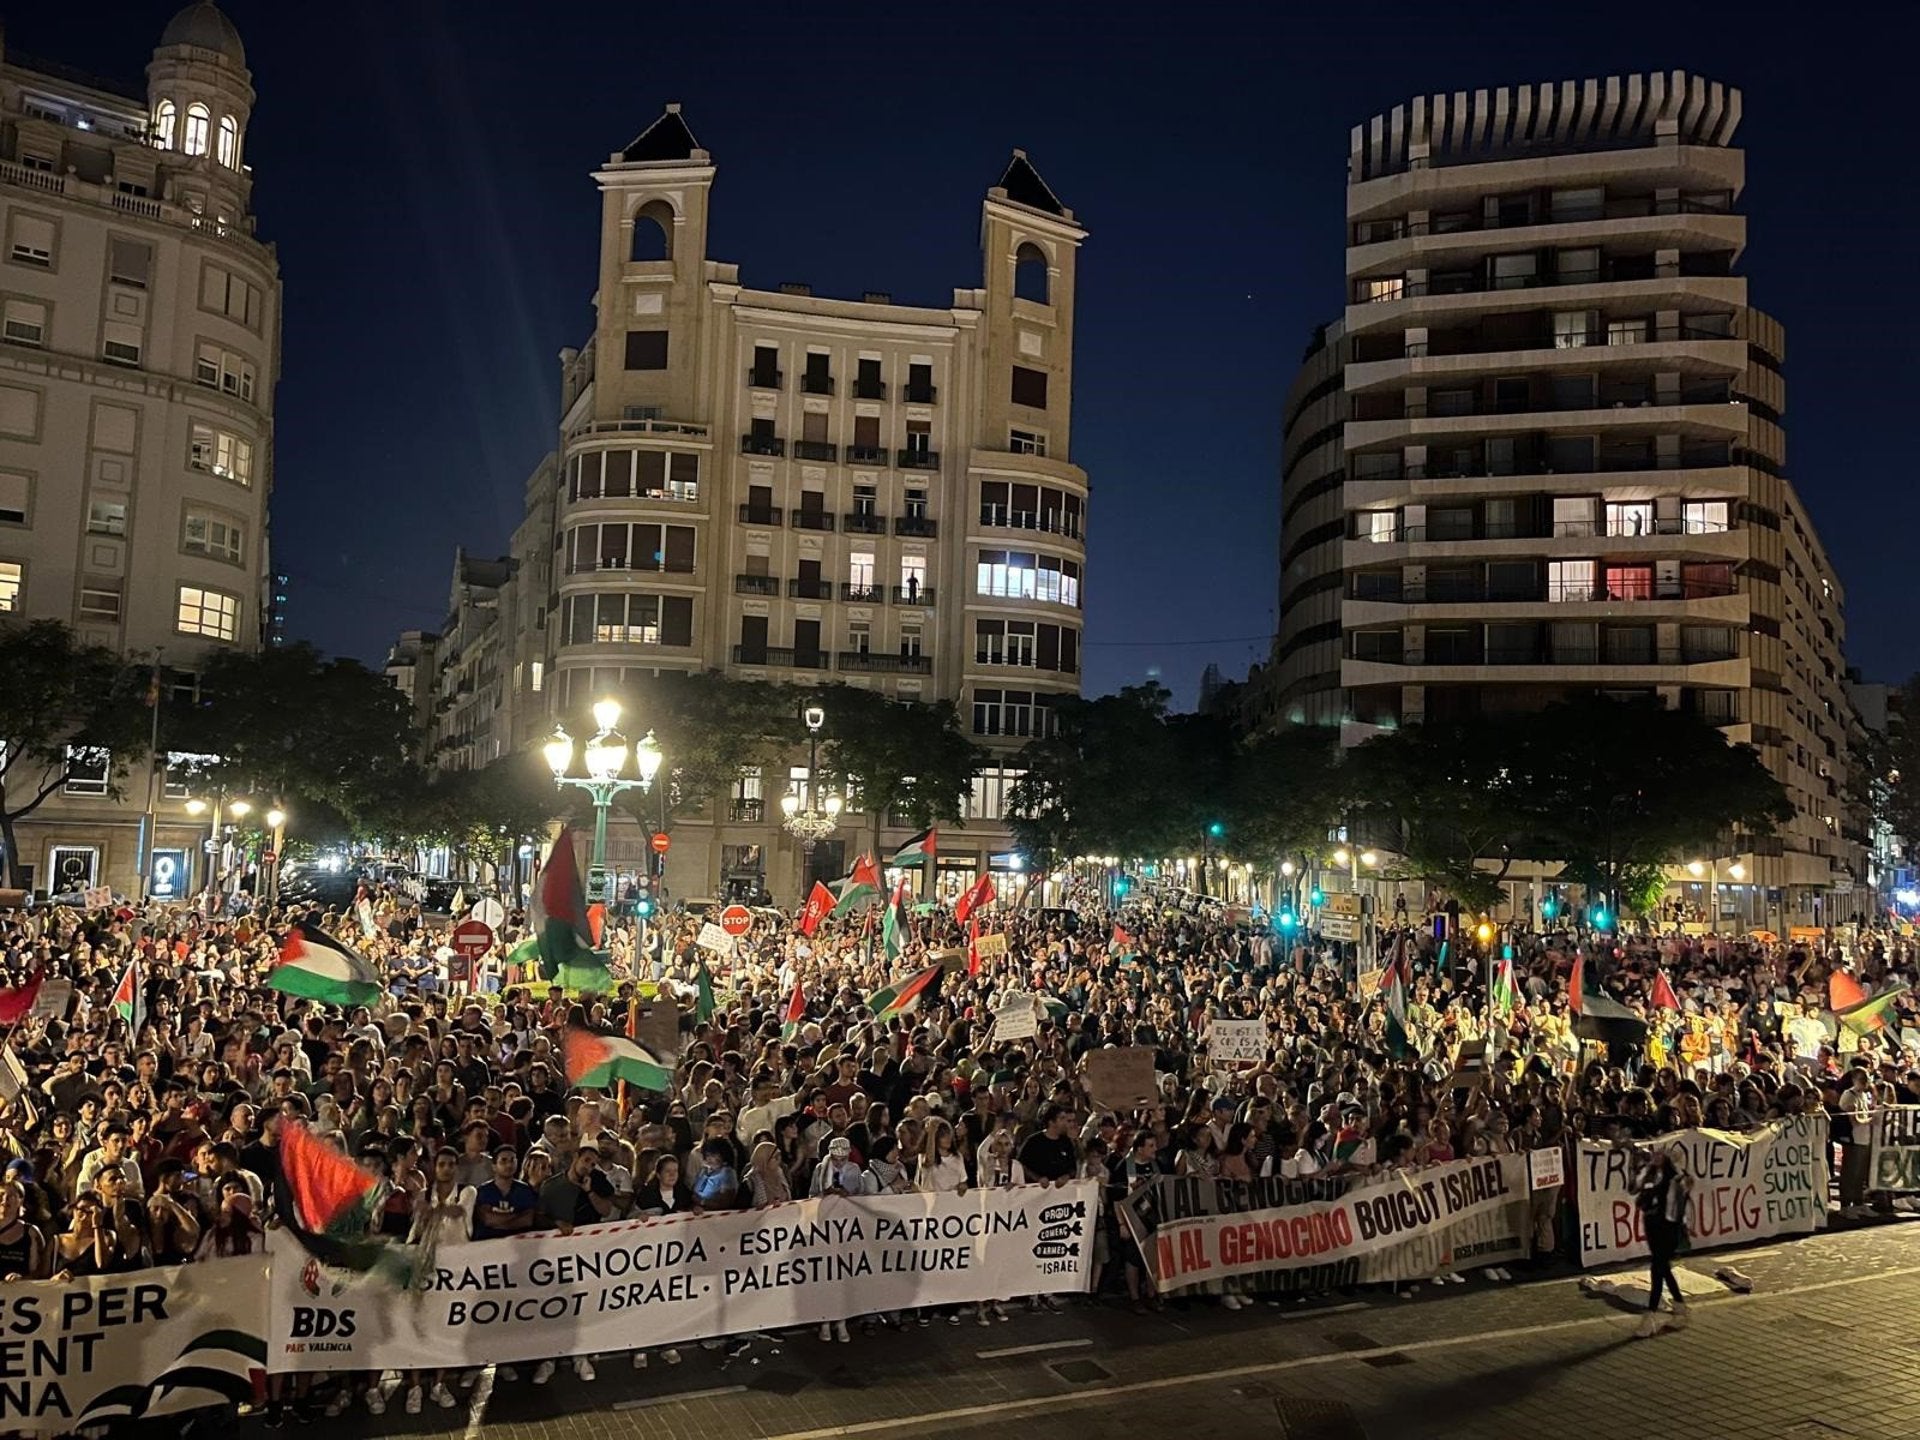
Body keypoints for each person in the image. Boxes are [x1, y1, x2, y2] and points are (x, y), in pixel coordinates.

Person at [1633, 1144, 1693, 1337]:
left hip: (1667, 1230)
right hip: (1653, 1228)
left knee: (1657, 1269)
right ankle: (1680, 1307)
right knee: (1663, 1268)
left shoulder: (1674, 1179)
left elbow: (1676, 1206)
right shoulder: (1650, 1175)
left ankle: (1650, 1316)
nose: (1655, 1156)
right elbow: (1639, 1197)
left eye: (1659, 1153)